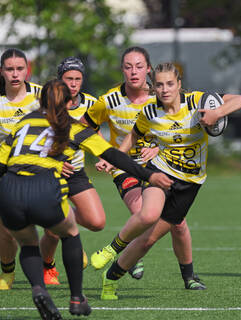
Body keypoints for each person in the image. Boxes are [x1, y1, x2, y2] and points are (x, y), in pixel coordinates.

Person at [0, 79, 172, 318]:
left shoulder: (24, 122)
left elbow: (1, 163)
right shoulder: (74, 128)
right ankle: (76, 298)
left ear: (41, 101)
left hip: (10, 189)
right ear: (70, 103)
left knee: (28, 243)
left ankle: (38, 288)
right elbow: (113, 155)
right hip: (43, 187)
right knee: (70, 233)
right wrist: (149, 175)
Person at [93, 62, 241, 300]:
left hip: (191, 183)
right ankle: (110, 249)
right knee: (148, 214)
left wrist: (218, 112)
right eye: (159, 85)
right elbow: (135, 135)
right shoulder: (150, 112)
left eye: (170, 84)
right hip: (161, 172)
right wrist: (116, 158)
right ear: (153, 88)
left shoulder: (196, 102)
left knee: (147, 241)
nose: (164, 89)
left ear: (179, 85)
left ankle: (110, 278)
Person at [83, 46, 202, 285]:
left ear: (148, 69)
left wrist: (158, 148)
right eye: (128, 67)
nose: (133, 72)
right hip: (125, 167)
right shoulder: (110, 100)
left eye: (139, 66)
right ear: (122, 70)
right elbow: (84, 126)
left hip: (160, 166)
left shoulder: (162, 94)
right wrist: (105, 151)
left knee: (178, 223)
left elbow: (176, 131)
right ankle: (127, 254)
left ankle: (189, 277)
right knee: (144, 213)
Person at [39, 57, 107, 285]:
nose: (74, 83)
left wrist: (103, 155)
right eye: (69, 79)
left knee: (97, 222)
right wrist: (53, 161)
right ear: (60, 80)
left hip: (76, 173)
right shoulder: (48, 103)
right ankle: (47, 266)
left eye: (78, 79)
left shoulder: (91, 103)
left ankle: (61, 221)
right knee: (52, 231)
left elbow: (94, 132)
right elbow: (35, 140)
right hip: (49, 174)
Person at [0, 48, 41, 290]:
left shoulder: (40, 96)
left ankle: (68, 247)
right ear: (2, 72)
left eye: (19, 69)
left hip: (39, 169)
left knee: (56, 219)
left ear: (27, 70)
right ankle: (7, 270)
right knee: (5, 229)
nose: (15, 74)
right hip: (5, 171)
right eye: (9, 69)